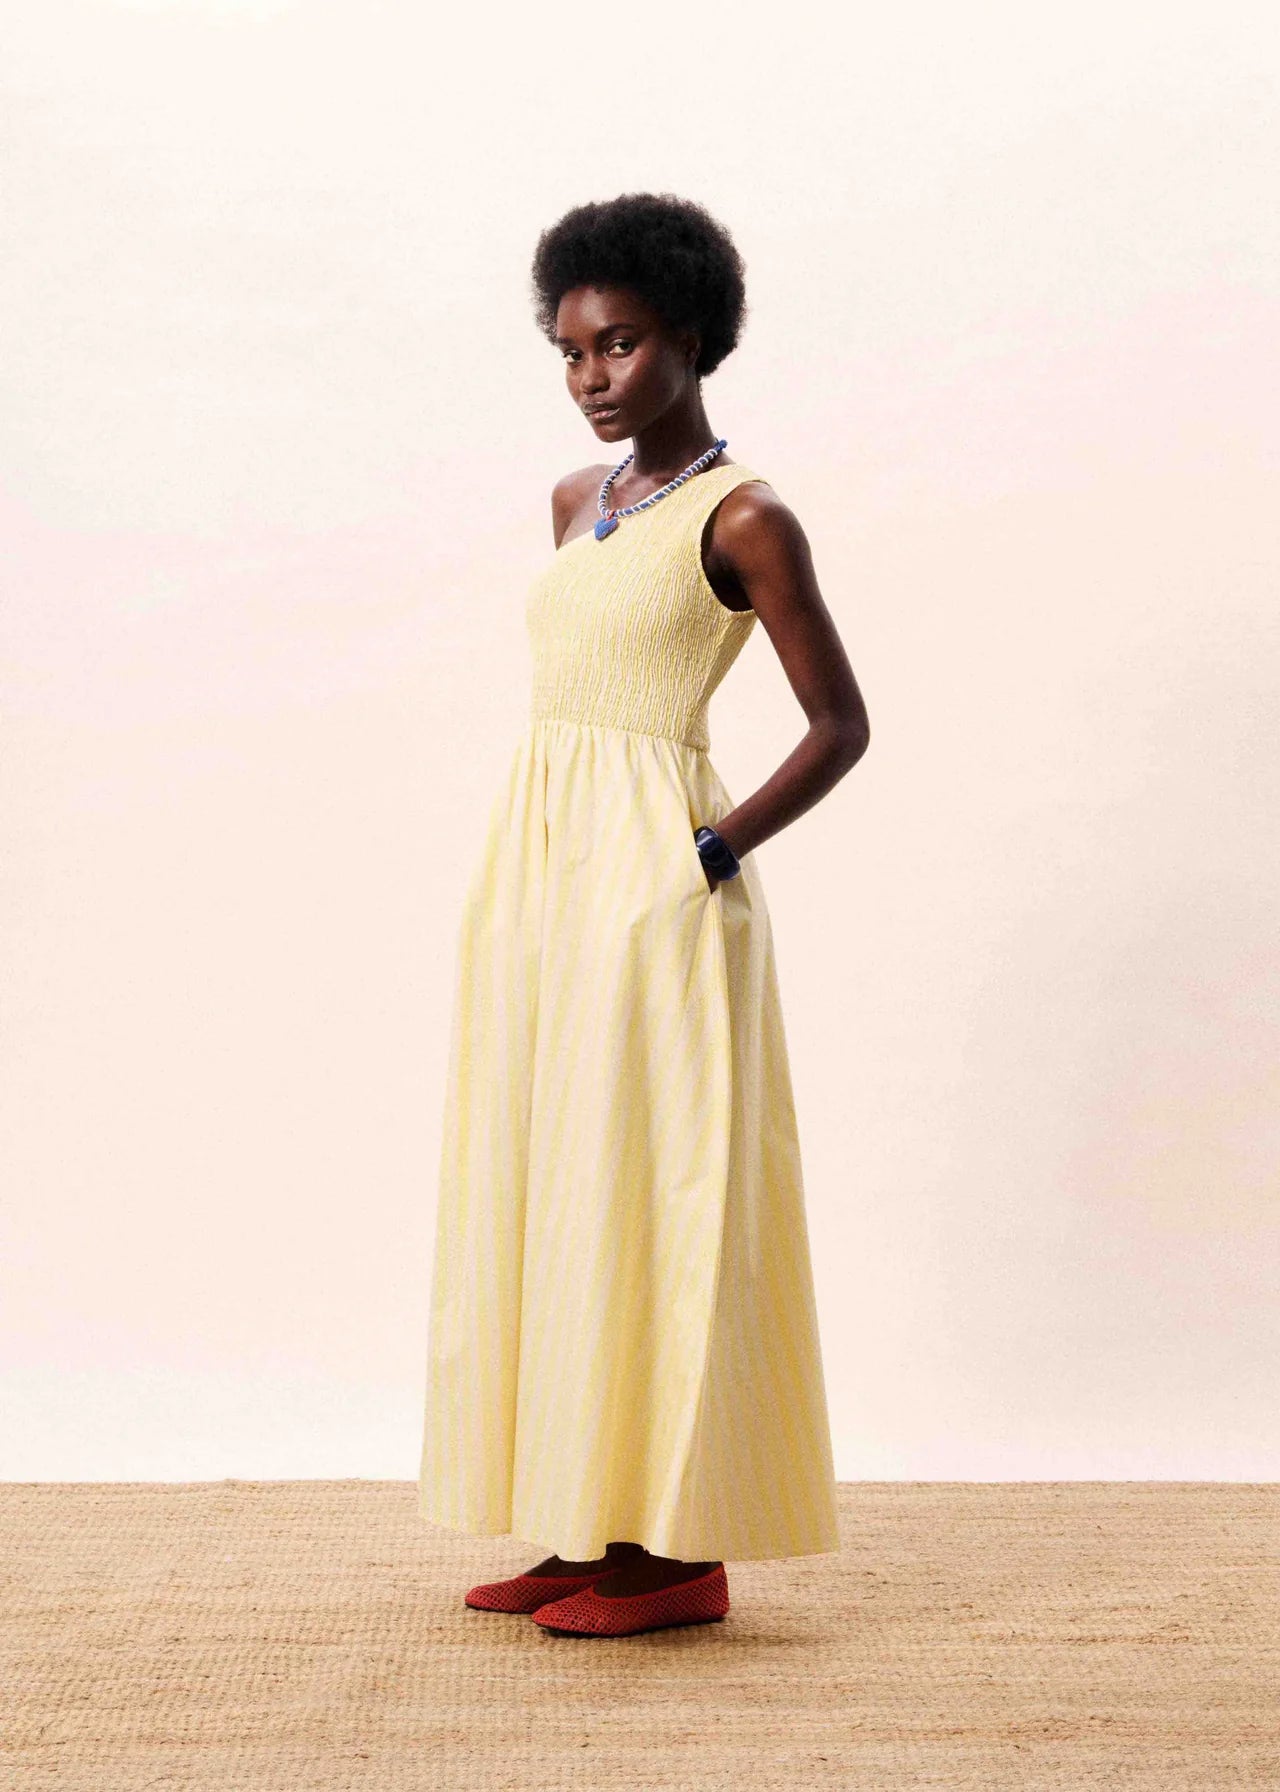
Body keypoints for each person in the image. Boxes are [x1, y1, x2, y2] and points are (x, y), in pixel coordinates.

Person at [419, 191, 870, 1638]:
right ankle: (585, 1520)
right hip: (540, 874)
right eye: (570, 351)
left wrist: (707, 854)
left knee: (653, 1196)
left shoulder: (747, 518)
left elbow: (841, 726)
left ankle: (674, 1557)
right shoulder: (576, 502)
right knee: (557, 1186)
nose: (592, 375)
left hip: (658, 892)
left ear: (692, 336)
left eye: (618, 343)